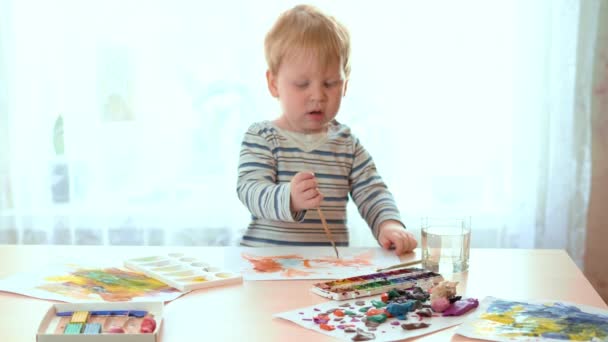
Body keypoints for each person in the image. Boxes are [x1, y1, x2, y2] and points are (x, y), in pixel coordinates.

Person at [236, 4, 417, 255]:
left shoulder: (346, 144)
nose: (317, 95)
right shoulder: (263, 137)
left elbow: (372, 191)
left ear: (345, 85)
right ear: (273, 83)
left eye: (330, 83)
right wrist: (289, 198)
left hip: (328, 269)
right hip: (265, 266)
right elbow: (250, 191)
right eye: (302, 84)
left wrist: (389, 224)